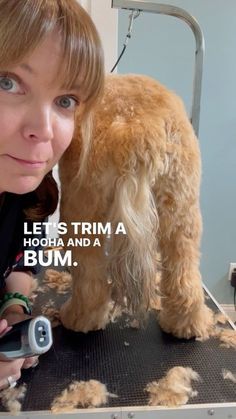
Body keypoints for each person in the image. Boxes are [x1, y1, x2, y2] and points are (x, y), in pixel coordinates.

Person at [0, 0, 104, 391]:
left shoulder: (32, 194)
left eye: (66, 101)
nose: (43, 130)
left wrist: (16, 308)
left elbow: (22, 261)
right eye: (7, 82)